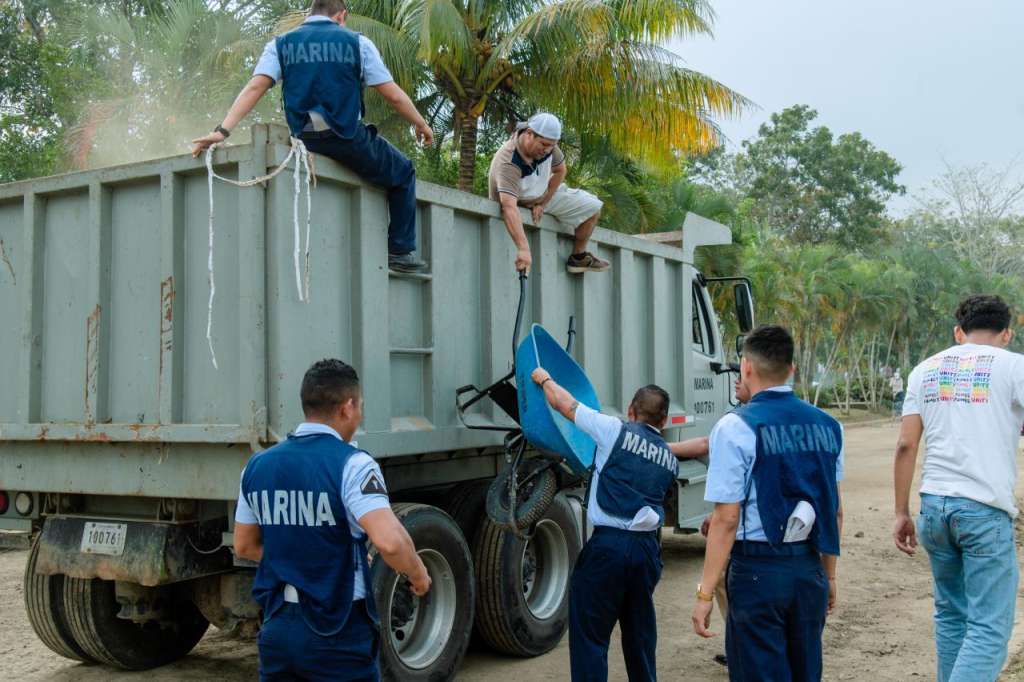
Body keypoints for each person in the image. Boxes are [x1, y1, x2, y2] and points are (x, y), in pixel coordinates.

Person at [191, 0, 433, 273]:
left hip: (304, 141)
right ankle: (400, 251)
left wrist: (222, 131)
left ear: (310, 13)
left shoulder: (280, 44)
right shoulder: (358, 43)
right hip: (346, 139)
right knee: (403, 171)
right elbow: (393, 95)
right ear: (341, 15)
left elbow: (255, 87)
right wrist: (421, 124)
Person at [233, 359, 431, 680]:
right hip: (338, 629)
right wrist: (418, 574)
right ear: (347, 407)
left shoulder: (256, 466)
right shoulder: (353, 464)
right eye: (360, 406)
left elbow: (244, 545)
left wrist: (305, 562)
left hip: (277, 628)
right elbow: (391, 541)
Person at [530, 367, 705, 681]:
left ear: (630, 411)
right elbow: (690, 448)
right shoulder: (668, 459)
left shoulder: (613, 430)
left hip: (608, 548)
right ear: (664, 421)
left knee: (591, 635)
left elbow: (564, 404)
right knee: (640, 636)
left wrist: (544, 378)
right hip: (647, 552)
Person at [692, 326, 844, 682]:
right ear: (792, 369)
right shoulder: (829, 425)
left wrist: (705, 593)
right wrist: (829, 575)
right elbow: (834, 510)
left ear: (746, 366)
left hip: (757, 572)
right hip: (809, 570)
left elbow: (726, 519)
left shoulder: (735, 427)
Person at [893, 295, 1023, 682]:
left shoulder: (924, 370)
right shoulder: (1014, 366)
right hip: (984, 510)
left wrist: (901, 512)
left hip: (934, 507)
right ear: (1006, 334)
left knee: (951, 615)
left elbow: (906, 445)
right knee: (989, 627)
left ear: (958, 332)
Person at [488, 113, 609, 274]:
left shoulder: (548, 148)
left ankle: (578, 257)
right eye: (544, 144)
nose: (547, 150)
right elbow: (508, 207)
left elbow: (560, 170)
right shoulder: (508, 161)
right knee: (512, 206)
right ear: (529, 133)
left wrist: (543, 203)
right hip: (513, 202)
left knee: (593, 207)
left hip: (540, 197)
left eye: (552, 145)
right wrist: (524, 249)